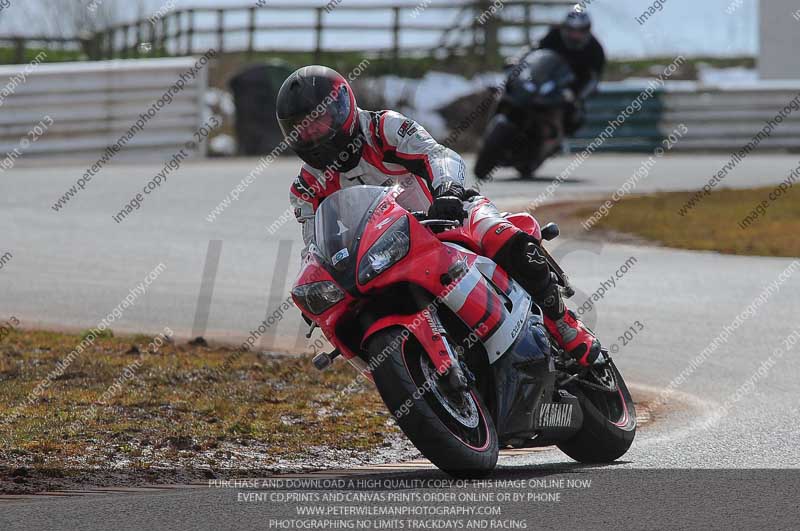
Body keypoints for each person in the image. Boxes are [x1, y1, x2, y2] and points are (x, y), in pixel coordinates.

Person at [277, 65, 604, 366]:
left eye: (318, 121)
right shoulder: (305, 187)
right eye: (302, 129)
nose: (313, 134)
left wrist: (447, 189)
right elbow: (314, 245)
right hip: (388, 253)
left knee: (501, 237)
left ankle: (563, 323)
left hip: (447, 216)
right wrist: (320, 283)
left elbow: (437, 154)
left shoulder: (382, 127)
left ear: (343, 108)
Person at [533, 5, 606, 135]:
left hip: (571, 88)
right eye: (572, 30)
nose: (575, 35)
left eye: (580, 31)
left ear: (587, 30)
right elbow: (532, 53)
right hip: (545, 79)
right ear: (564, 28)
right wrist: (517, 61)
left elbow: (594, 79)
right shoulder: (553, 35)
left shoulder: (596, 50)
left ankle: (555, 139)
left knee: (574, 116)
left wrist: (578, 96)